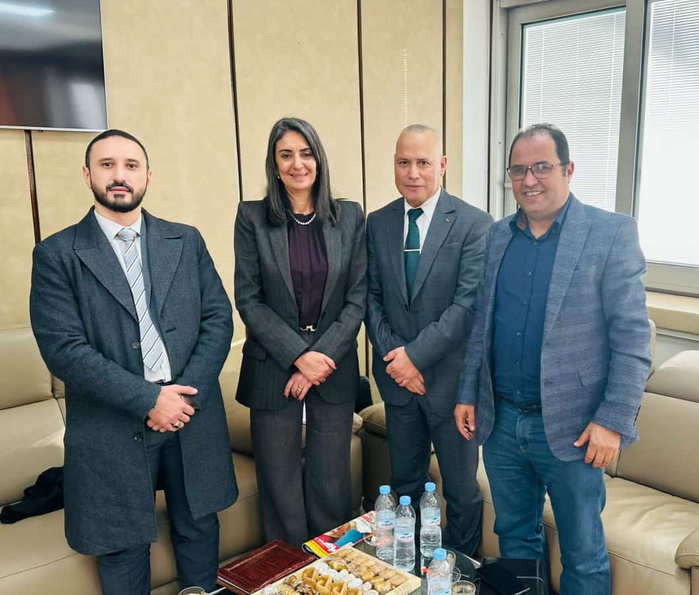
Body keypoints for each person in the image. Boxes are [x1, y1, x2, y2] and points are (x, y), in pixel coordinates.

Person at [29, 129, 237, 595]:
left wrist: (183, 396)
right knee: (122, 545)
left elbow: (218, 318)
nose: (119, 175)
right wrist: (148, 400)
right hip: (113, 419)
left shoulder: (185, 240)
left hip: (191, 409)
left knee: (199, 525)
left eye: (130, 165)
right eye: (107, 165)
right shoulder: (58, 254)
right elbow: (64, 348)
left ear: (147, 175)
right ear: (88, 175)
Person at [455, 123, 652, 594]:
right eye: (519, 170)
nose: (530, 180)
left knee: (583, 553)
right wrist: (468, 393)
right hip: (502, 422)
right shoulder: (497, 234)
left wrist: (614, 419)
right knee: (514, 538)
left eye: (542, 167)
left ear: (568, 169)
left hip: (575, 428)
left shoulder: (610, 233)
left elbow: (633, 337)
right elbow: (482, 324)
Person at [234, 117, 367, 546]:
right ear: (274, 165)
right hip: (273, 370)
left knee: (332, 488)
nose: (297, 164)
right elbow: (249, 299)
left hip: (333, 368)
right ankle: (288, 582)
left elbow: (358, 297)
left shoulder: (349, 217)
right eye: (286, 155)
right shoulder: (252, 217)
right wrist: (297, 356)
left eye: (306, 153)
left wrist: (316, 361)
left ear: (319, 159)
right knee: (280, 490)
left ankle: (335, 581)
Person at [365, 124, 492, 556]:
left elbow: (467, 306)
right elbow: (372, 300)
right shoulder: (378, 223)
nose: (413, 172)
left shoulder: (475, 224)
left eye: (422, 162)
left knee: (461, 493)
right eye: (404, 162)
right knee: (405, 487)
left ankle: (460, 575)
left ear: (441, 165)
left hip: (453, 388)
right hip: (400, 388)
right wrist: (396, 361)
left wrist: (414, 358)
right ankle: (412, 572)